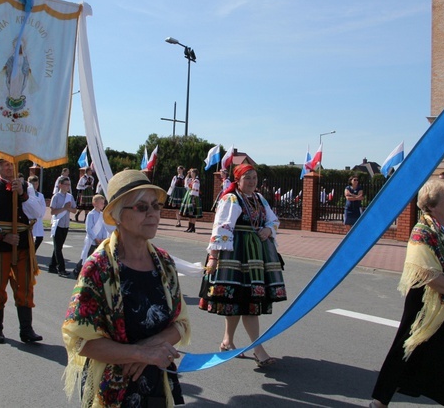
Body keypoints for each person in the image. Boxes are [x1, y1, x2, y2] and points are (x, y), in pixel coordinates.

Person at [62, 170, 191, 407]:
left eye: (155, 206)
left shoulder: (165, 263)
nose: (153, 214)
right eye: (142, 207)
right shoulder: (98, 267)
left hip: (157, 385)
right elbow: (80, 340)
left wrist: (147, 351)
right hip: (111, 390)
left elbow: (180, 324)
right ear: (118, 215)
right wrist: (141, 355)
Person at [370, 179, 444, 408]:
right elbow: (427, 275)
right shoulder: (422, 231)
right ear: (432, 206)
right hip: (429, 299)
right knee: (408, 346)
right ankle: (381, 399)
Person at [200, 163, 285, 368]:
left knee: (242, 301)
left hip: (256, 255)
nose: (252, 182)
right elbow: (221, 227)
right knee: (244, 300)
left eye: (254, 178)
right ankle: (258, 349)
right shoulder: (230, 199)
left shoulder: (259, 199)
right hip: (235, 253)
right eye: (247, 178)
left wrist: (268, 230)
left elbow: (273, 221)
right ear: (237, 180)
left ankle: (227, 341)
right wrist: (213, 257)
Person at [0, 158, 45, 344]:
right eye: (4, 164)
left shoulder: (26, 188)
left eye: (12, 163)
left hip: (22, 244)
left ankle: (26, 330)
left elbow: (37, 213)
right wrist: (3, 236)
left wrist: (22, 194)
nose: (9, 167)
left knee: (25, 286)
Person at [70, 194, 113, 279]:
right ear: (95, 203)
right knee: (87, 256)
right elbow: (88, 228)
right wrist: (95, 238)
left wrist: (103, 238)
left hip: (100, 240)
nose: (103, 205)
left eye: (103, 203)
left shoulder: (102, 215)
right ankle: (77, 271)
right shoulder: (91, 214)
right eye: (101, 203)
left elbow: (104, 227)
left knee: (98, 257)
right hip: (92, 240)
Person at [49, 176, 77, 276]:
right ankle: (61, 269)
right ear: (60, 185)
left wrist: (68, 209)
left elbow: (74, 210)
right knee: (58, 248)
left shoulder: (70, 197)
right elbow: (52, 211)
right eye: (66, 184)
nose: (68, 186)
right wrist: (64, 208)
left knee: (58, 246)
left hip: (66, 225)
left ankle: (52, 266)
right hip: (57, 224)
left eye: (69, 185)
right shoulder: (56, 196)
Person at [179, 168, 202, 233]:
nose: (191, 174)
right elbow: (186, 183)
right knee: (190, 213)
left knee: (193, 213)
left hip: (194, 197)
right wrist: (188, 174)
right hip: (190, 196)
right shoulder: (192, 180)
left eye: (192, 173)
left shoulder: (196, 181)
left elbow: (195, 190)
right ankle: (189, 227)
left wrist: (192, 198)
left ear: (194, 173)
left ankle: (192, 227)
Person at [27, 175, 46, 251]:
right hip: (30, 219)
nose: (35, 186)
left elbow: (43, 207)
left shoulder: (40, 195)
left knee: (39, 238)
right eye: (33, 184)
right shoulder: (27, 194)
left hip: (38, 219)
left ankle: (32, 252)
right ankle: (28, 252)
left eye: (37, 184)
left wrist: (39, 214)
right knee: (29, 237)